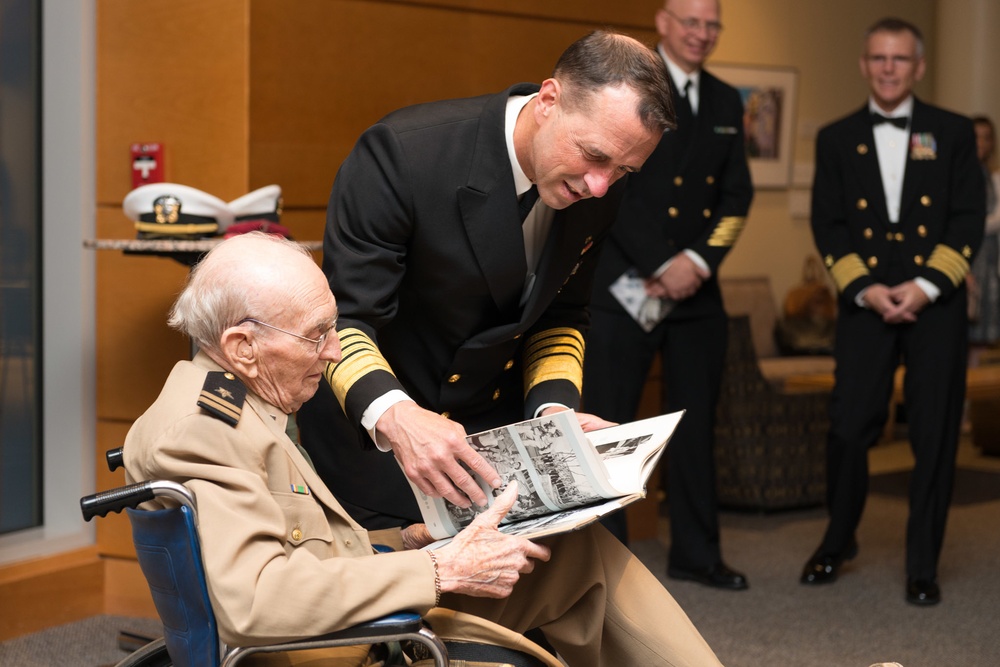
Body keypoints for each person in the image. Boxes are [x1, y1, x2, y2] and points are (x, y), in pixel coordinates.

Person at [122, 232, 726, 667]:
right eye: (316, 335)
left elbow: (293, 547)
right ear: (243, 345)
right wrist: (441, 567)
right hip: (347, 648)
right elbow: (256, 602)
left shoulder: (229, 399)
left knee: (568, 547)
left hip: (353, 617)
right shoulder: (205, 432)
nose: (335, 352)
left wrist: (405, 544)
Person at [296, 30, 674, 531]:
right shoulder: (403, 155)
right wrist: (399, 418)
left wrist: (553, 415)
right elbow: (342, 321)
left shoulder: (598, 187)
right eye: (594, 155)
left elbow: (561, 313)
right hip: (378, 432)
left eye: (624, 170)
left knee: (564, 581)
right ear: (548, 100)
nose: (601, 185)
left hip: (491, 436)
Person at [801, 17, 985, 606]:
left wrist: (928, 285)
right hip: (866, 302)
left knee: (933, 433)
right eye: (878, 57)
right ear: (864, 64)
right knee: (849, 427)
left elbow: (967, 218)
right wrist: (866, 288)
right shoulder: (835, 137)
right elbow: (827, 221)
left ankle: (923, 563)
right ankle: (838, 538)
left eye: (899, 59)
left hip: (936, 305)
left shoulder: (953, 132)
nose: (888, 68)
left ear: (919, 67)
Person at [581, 0, 753, 591]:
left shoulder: (729, 100)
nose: (702, 34)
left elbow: (737, 199)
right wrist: (660, 262)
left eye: (712, 24)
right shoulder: (624, 85)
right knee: (607, 430)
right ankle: (610, 565)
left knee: (698, 427)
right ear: (662, 22)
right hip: (621, 287)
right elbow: (607, 186)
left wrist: (697, 262)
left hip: (697, 296)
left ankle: (698, 554)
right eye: (691, 22)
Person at [967, 116, 1000, 353]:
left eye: (986, 137)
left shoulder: (992, 177)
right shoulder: (960, 175)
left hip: (989, 258)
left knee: (984, 332)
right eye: (975, 136)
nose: (980, 143)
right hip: (966, 258)